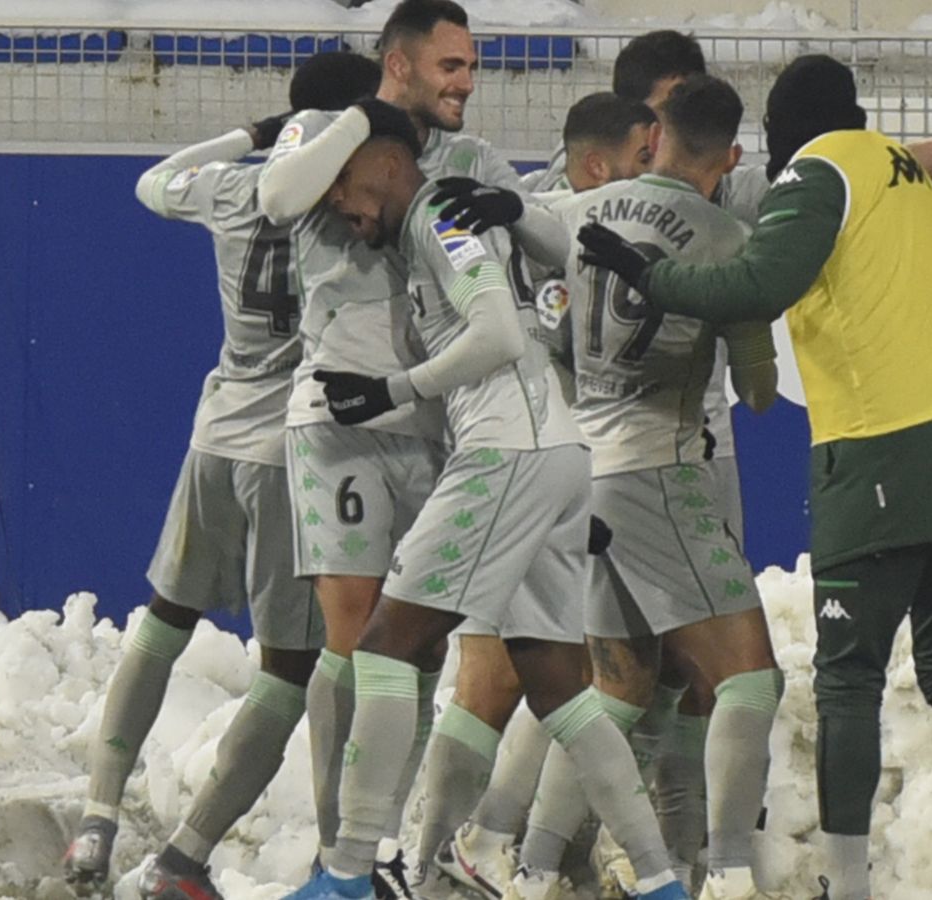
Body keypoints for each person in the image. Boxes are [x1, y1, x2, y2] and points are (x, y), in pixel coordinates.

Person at [578, 54, 932, 900]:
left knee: (847, 678)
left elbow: (761, 282)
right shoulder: (901, 174)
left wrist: (646, 274)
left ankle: (846, 884)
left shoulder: (814, 170)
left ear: (776, 131)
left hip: (880, 450)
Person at [278, 99, 690, 900]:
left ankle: (349, 873)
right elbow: (559, 259)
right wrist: (523, 216)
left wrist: (390, 388)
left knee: (387, 648)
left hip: (510, 450)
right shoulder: (438, 220)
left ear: (389, 163)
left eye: (345, 186)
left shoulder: (434, 212)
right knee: (559, 687)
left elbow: (499, 334)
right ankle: (660, 882)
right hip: (553, 450)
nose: (339, 203)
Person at [61, 52, 380, 900]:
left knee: (164, 620)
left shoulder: (235, 190)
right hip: (293, 453)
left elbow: (154, 181)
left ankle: (95, 823)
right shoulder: (348, 205)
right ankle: (185, 858)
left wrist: (251, 135)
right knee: (290, 666)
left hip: (214, 437)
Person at [257, 3, 562, 893]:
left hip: (436, 429)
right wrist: (366, 118)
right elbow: (277, 200)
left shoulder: (472, 162)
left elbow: (542, 246)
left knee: (417, 649)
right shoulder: (324, 136)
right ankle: (344, 853)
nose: (467, 82)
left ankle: (386, 850)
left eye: (472, 67)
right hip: (343, 422)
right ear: (399, 64)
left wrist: (519, 209)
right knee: (356, 639)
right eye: (451, 67)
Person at [480, 74, 783, 900]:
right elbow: (758, 391)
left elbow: (559, 351)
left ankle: (529, 862)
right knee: (751, 681)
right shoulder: (725, 236)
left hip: (591, 474)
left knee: (617, 690)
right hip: (664, 476)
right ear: (728, 154)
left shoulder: (583, 212)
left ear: (653, 138)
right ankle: (726, 872)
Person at [410, 89, 659, 900]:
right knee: (499, 672)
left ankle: (472, 846)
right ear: (600, 162)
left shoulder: (536, 212)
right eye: (641, 155)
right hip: (524, 469)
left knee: (533, 672)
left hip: (544, 471)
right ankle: (450, 855)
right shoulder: (553, 225)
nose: (652, 170)